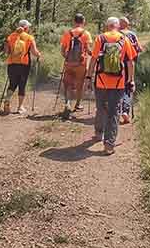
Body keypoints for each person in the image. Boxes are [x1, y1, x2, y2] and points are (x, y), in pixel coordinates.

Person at [86, 17, 136, 155]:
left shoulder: (100, 39)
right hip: (119, 82)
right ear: (118, 26)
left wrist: (89, 77)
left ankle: (98, 133)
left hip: (101, 80)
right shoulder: (124, 39)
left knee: (101, 108)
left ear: (107, 26)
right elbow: (130, 62)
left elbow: (94, 59)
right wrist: (131, 80)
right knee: (114, 112)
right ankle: (109, 144)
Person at [3, 19, 42, 115]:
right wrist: (39, 55)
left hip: (12, 63)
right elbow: (34, 52)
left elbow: (6, 51)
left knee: (12, 83)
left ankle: (7, 100)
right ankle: (20, 107)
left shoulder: (11, 36)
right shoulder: (29, 37)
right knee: (22, 84)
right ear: (26, 28)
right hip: (24, 64)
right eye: (28, 27)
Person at [59, 13, 93, 119]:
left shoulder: (67, 33)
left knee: (67, 83)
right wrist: (93, 56)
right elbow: (87, 49)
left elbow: (63, 50)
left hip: (69, 63)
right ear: (83, 22)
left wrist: (67, 58)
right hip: (81, 64)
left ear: (74, 22)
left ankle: (67, 103)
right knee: (80, 84)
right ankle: (78, 104)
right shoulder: (86, 34)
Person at [118, 16, 144, 124]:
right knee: (128, 87)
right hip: (129, 64)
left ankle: (113, 109)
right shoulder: (132, 34)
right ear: (127, 25)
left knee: (116, 86)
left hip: (116, 64)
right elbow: (139, 48)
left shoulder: (116, 35)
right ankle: (125, 110)